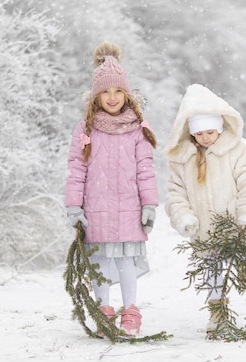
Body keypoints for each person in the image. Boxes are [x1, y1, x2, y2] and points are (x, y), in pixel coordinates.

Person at [64, 42, 158, 336]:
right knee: (102, 261)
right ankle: (104, 310)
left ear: (127, 94)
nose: (113, 97)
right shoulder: (87, 128)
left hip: (130, 206)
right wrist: (73, 206)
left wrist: (149, 205)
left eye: (118, 91)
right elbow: (77, 168)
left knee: (126, 259)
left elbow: (145, 169)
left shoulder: (136, 127)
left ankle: (131, 310)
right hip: (97, 207)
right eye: (106, 92)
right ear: (96, 96)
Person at [164, 83, 246, 332]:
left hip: (233, 225)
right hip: (204, 230)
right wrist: (184, 216)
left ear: (219, 127)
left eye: (210, 132)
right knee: (212, 273)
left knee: (238, 263)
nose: (206, 138)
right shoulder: (184, 157)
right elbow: (175, 193)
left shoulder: (237, 150)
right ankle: (217, 313)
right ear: (191, 133)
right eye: (199, 134)